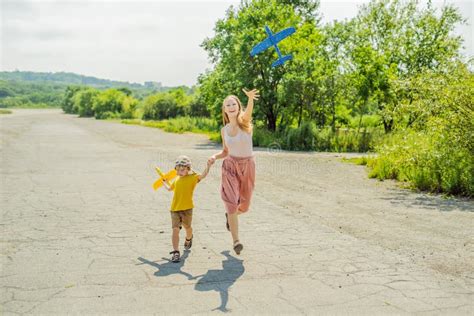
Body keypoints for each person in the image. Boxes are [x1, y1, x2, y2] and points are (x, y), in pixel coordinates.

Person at [208, 88, 259, 255]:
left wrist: (250, 99)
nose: (230, 106)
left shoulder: (245, 122)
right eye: (227, 104)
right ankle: (236, 241)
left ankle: (231, 216)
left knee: (244, 206)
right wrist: (215, 157)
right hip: (230, 167)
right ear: (224, 109)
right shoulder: (224, 130)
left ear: (238, 106)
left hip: (248, 166)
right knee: (231, 202)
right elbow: (225, 151)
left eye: (233, 103)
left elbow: (249, 111)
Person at [164, 155, 211, 262]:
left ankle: (189, 238)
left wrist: (208, 166)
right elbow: (169, 188)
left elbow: (203, 176)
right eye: (178, 169)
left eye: (183, 169)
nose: (180, 171)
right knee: (175, 229)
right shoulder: (176, 179)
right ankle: (176, 252)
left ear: (188, 169)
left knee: (187, 227)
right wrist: (164, 183)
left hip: (187, 209)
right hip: (175, 209)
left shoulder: (192, 178)